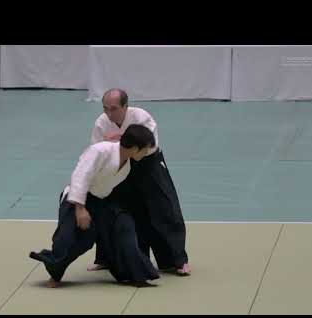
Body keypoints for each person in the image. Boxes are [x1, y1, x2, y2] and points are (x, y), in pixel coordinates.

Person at [29, 124, 160, 288]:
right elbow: (80, 176)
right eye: (145, 149)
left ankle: (134, 274)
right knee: (71, 239)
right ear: (134, 148)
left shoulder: (126, 165)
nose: (146, 152)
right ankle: (54, 275)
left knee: (123, 229)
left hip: (100, 201)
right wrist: (80, 208)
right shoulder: (100, 151)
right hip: (77, 198)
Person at [88, 88, 191, 276]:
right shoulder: (101, 123)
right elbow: (97, 149)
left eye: (114, 109)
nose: (109, 114)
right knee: (118, 211)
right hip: (119, 167)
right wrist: (122, 143)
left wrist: (117, 141)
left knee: (164, 209)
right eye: (105, 109)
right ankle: (107, 258)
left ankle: (176, 260)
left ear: (125, 106)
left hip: (148, 164)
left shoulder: (141, 117)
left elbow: (147, 146)